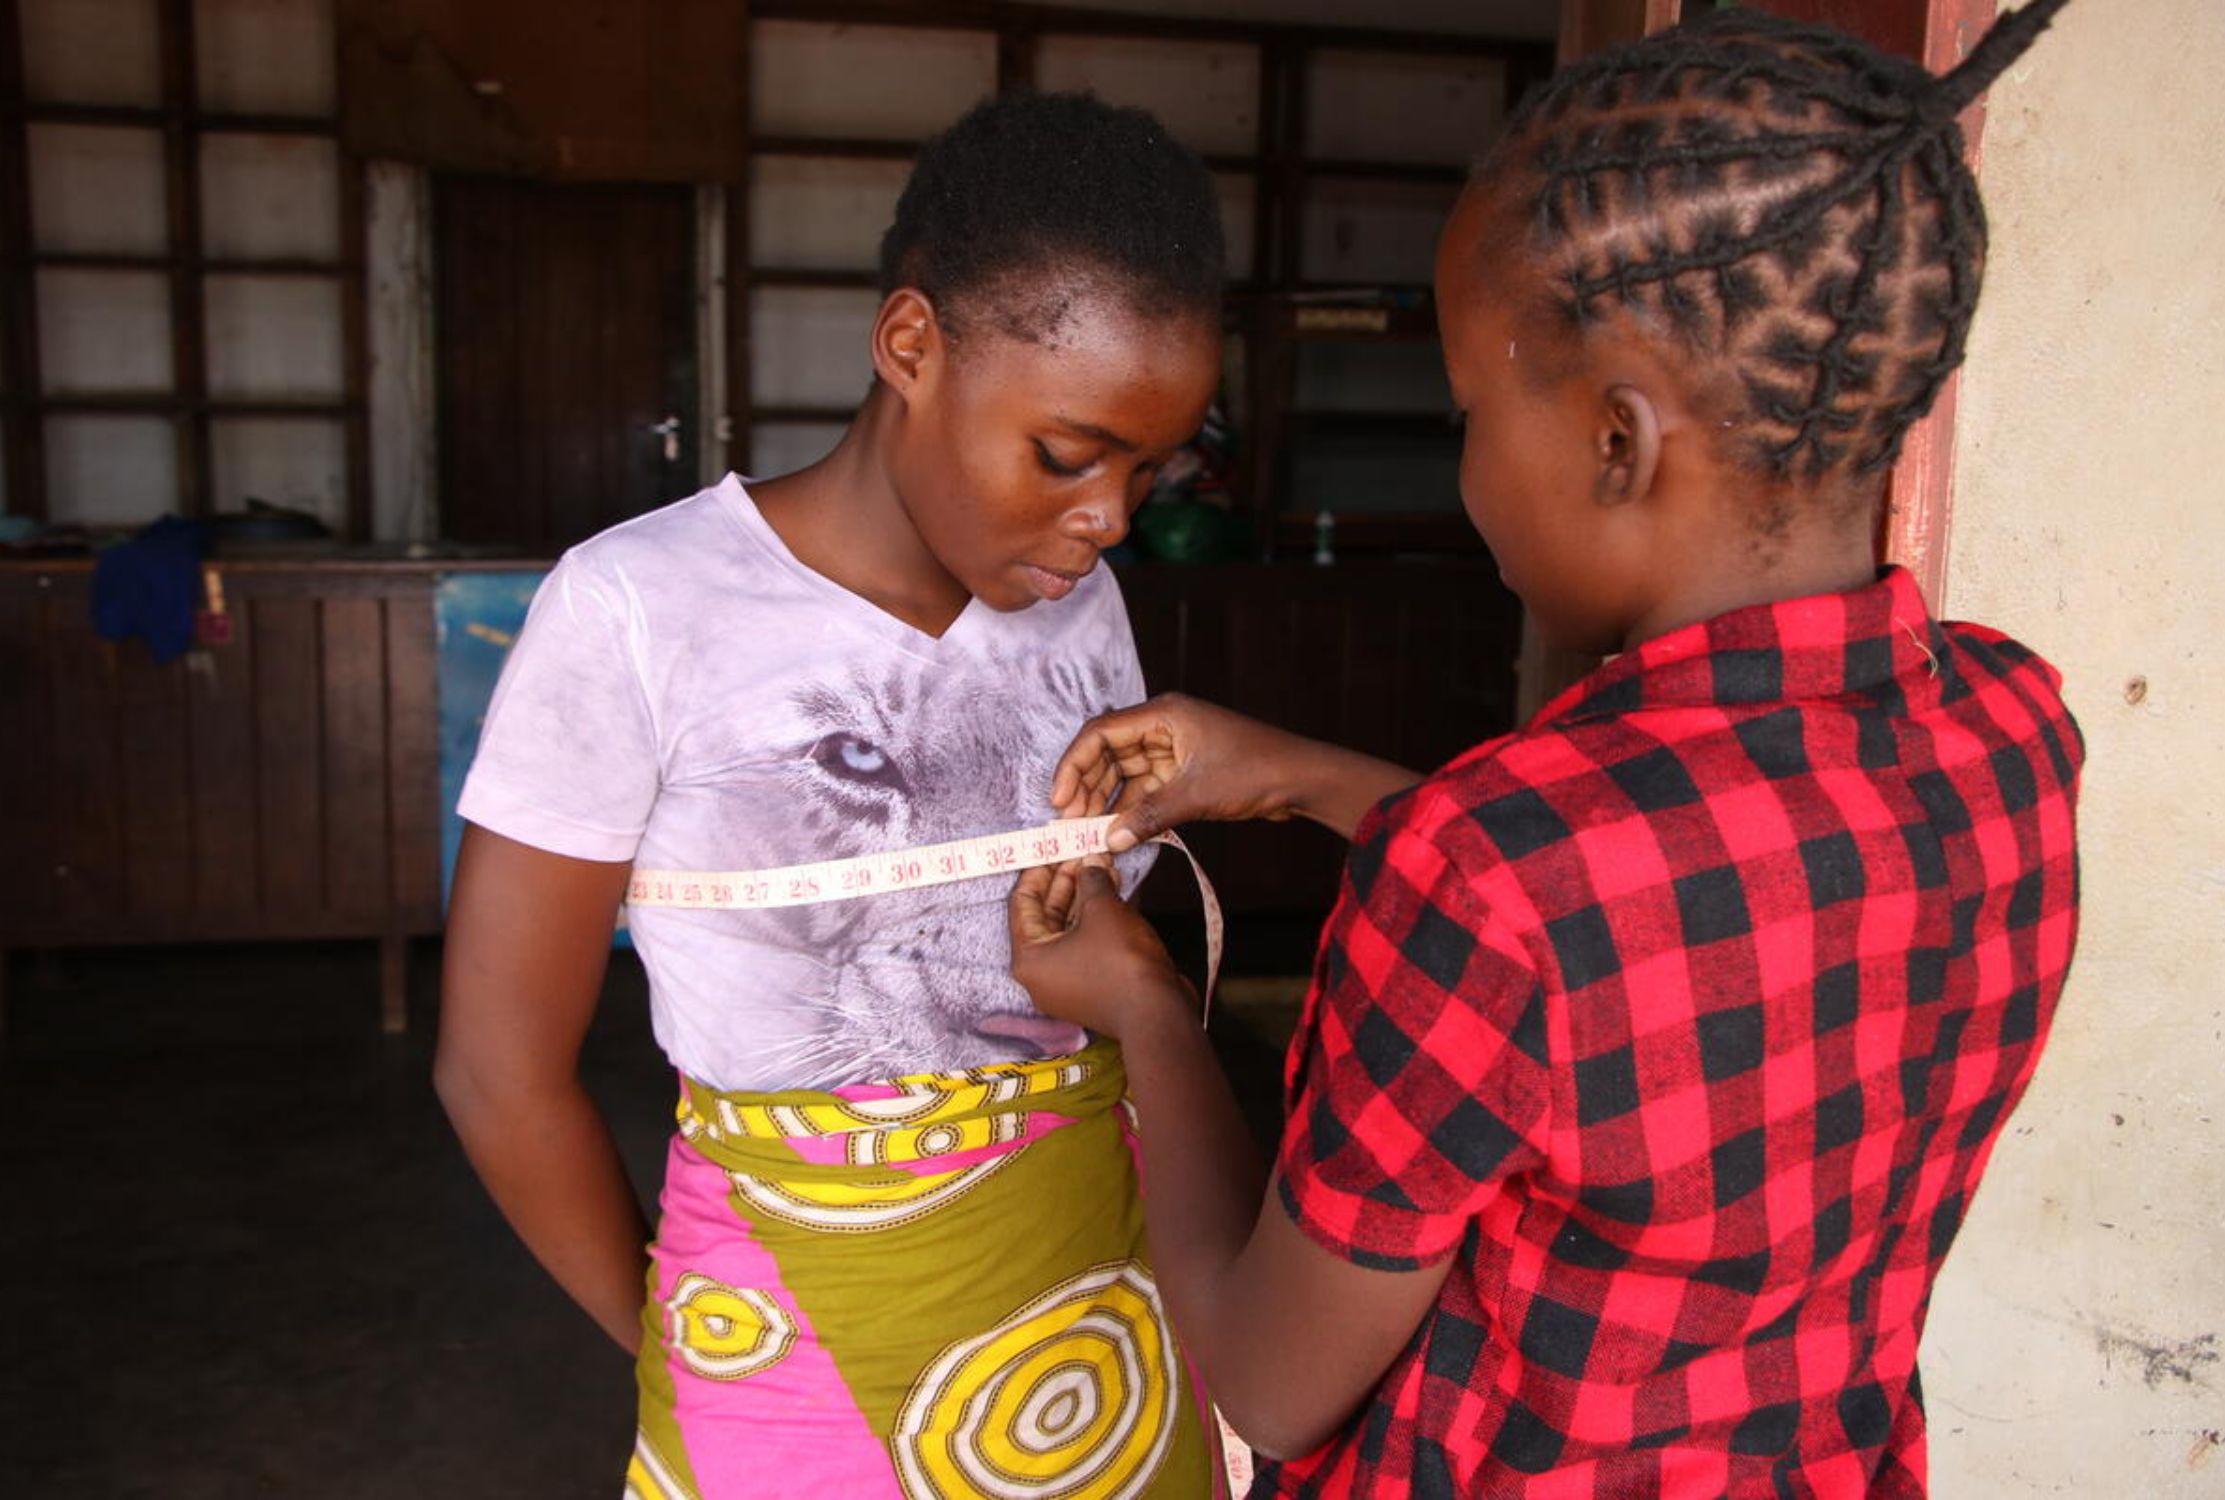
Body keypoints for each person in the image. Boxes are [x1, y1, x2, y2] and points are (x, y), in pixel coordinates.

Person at [1009, 4, 2082, 1496]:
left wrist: (1144, 1014)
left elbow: (1268, 1377)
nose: (1462, 469)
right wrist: (1300, 775)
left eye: (1467, 412)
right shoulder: (2010, 729)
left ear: (1616, 443)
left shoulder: (1489, 872)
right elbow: (1676, 925)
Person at [437, 93, 1231, 1497]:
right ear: (911, 345)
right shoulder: (638, 607)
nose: (1110, 515)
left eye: (1146, 466)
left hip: (1096, 1292)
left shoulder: (1081, 603)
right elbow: (498, 1071)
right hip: (783, 1319)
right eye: (1067, 453)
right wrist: (691, 1346)